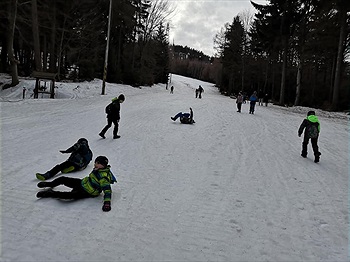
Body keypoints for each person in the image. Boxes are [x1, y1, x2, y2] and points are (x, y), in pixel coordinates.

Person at [36, 156, 116, 212]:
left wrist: (107, 203)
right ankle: (50, 184)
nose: (95, 164)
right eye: (96, 162)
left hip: (88, 192)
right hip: (83, 183)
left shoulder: (103, 177)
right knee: (63, 179)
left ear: (103, 165)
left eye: (98, 163)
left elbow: (107, 191)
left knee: (69, 196)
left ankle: (50, 194)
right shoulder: (98, 169)